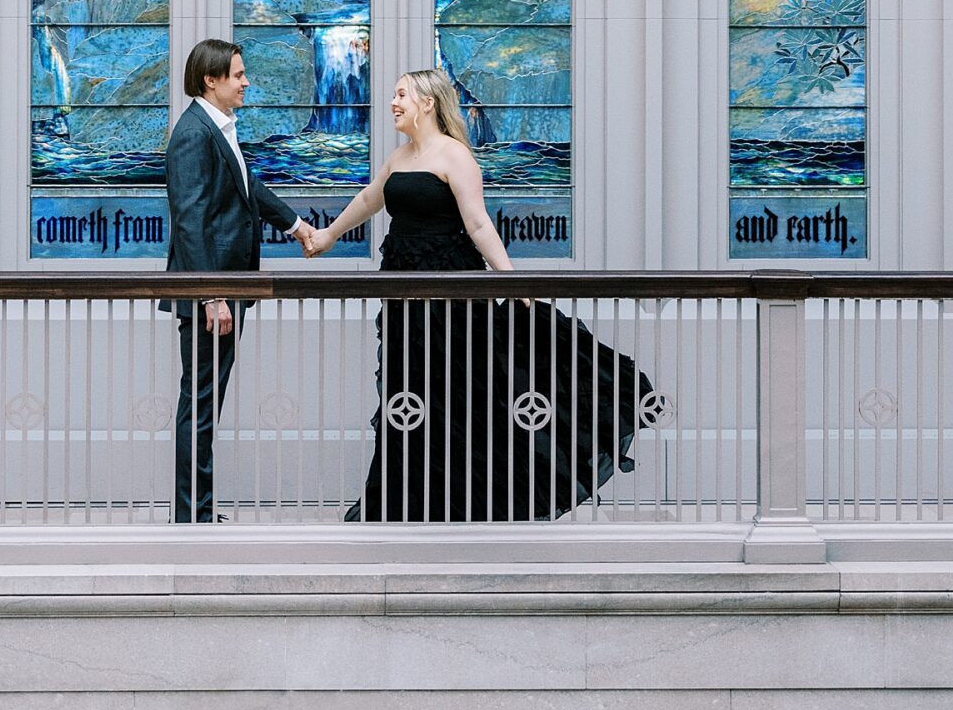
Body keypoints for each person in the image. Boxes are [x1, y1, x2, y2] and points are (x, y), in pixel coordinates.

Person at [307, 68, 653, 522]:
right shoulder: (398, 157)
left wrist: (512, 281)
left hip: (453, 294)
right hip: (401, 298)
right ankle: (407, 500)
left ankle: (467, 499)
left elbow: (478, 224)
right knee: (405, 391)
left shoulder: (456, 157)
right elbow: (370, 200)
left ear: (427, 102)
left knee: (457, 390)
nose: (393, 103)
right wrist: (328, 236)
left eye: (401, 95)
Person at [163, 38, 318, 522]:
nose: (246, 82)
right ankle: (192, 515)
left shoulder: (218, 128)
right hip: (211, 292)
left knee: (207, 398)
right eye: (237, 74)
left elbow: (251, 188)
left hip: (225, 289)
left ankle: (198, 511)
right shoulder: (193, 133)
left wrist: (297, 227)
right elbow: (189, 219)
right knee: (201, 401)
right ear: (211, 80)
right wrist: (210, 294)